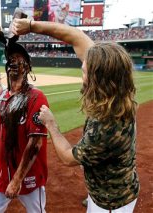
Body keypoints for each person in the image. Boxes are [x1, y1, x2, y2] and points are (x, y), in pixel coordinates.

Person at [12, 19, 140, 212]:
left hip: (111, 203)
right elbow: (76, 36)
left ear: (99, 79)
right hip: (114, 185)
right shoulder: (119, 90)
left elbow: (69, 158)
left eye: (85, 72)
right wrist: (31, 25)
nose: (82, 75)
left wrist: (51, 125)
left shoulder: (106, 126)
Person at [0, 41, 49, 212]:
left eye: (19, 58)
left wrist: (17, 180)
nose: (14, 62)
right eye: (11, 59)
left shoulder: (36, 97)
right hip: (0, 173)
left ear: (28, 67)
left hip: (28, 174)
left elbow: (35, 144)